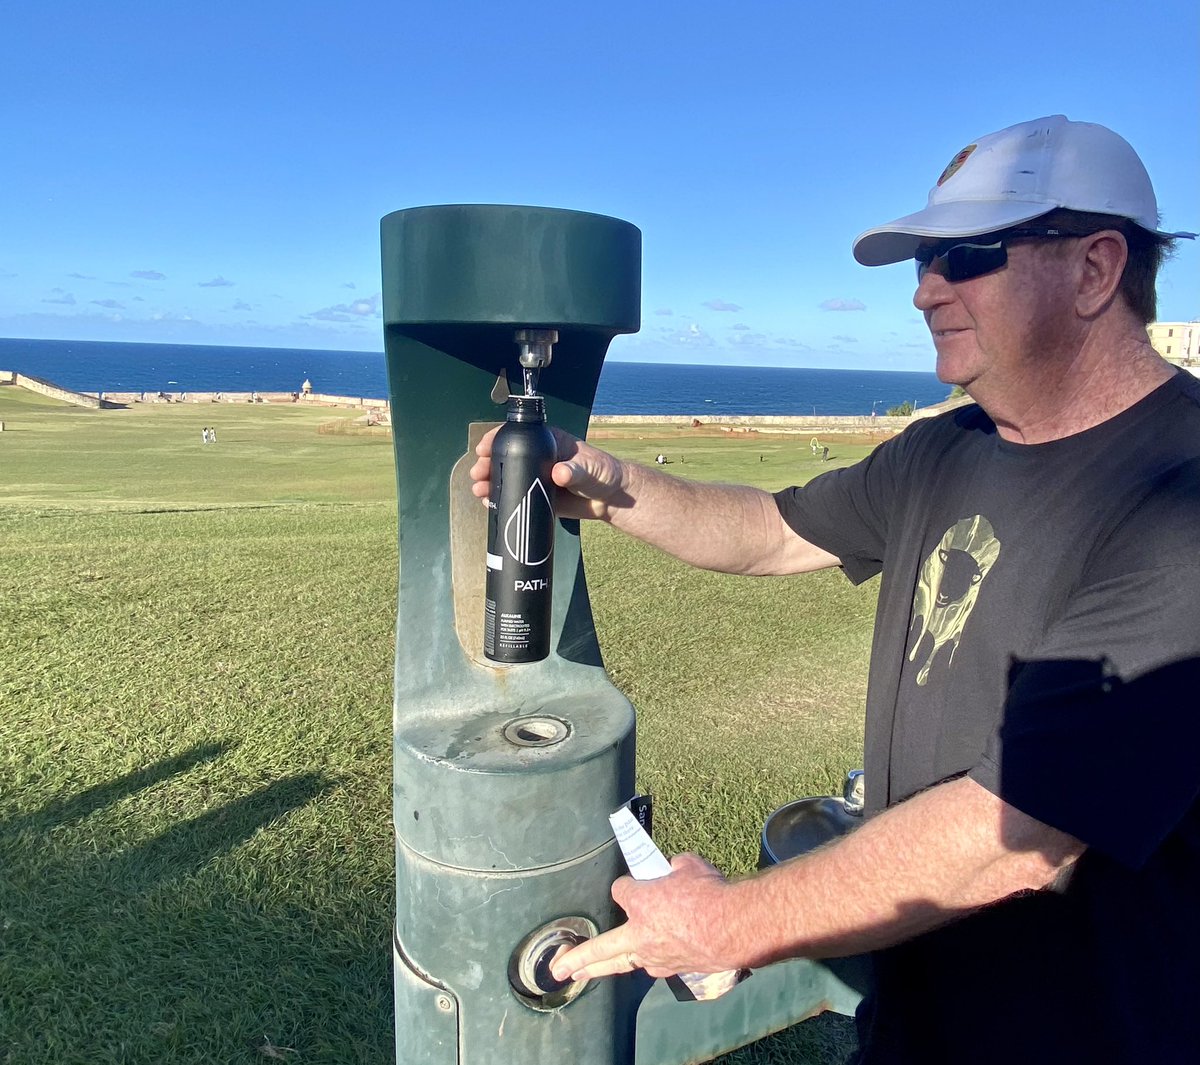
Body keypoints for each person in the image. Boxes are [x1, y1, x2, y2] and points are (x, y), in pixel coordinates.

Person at [471, 115, 1199, 1063]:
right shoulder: (949, 445)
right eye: (922, 262)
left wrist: (731, 922)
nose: (926, 290)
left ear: (1097, 268)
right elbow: (772, 531)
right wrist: (608, 487)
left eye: (964, 256)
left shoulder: (1178, 494)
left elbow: (1013, 831)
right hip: (912, 1020)